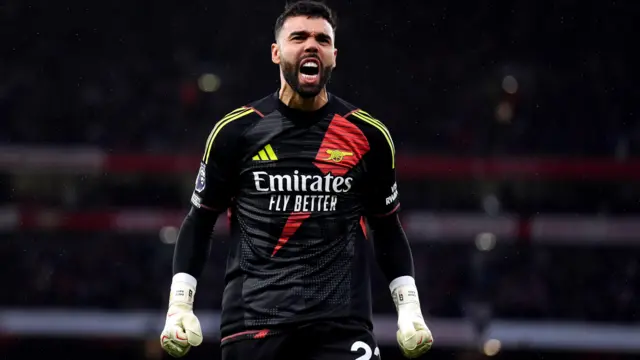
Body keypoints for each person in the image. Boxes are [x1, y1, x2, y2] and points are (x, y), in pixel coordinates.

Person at [160, 1, 433, 359]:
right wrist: (180, 304)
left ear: (334, 55)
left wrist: (409, 308)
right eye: (299, 37)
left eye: (322, 39)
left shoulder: (369, 136)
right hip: (254, 326)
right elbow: (199, 221)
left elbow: (387, 226)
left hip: (341, 328)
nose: (311, 45)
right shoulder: (236, 132)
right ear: (276, 52)